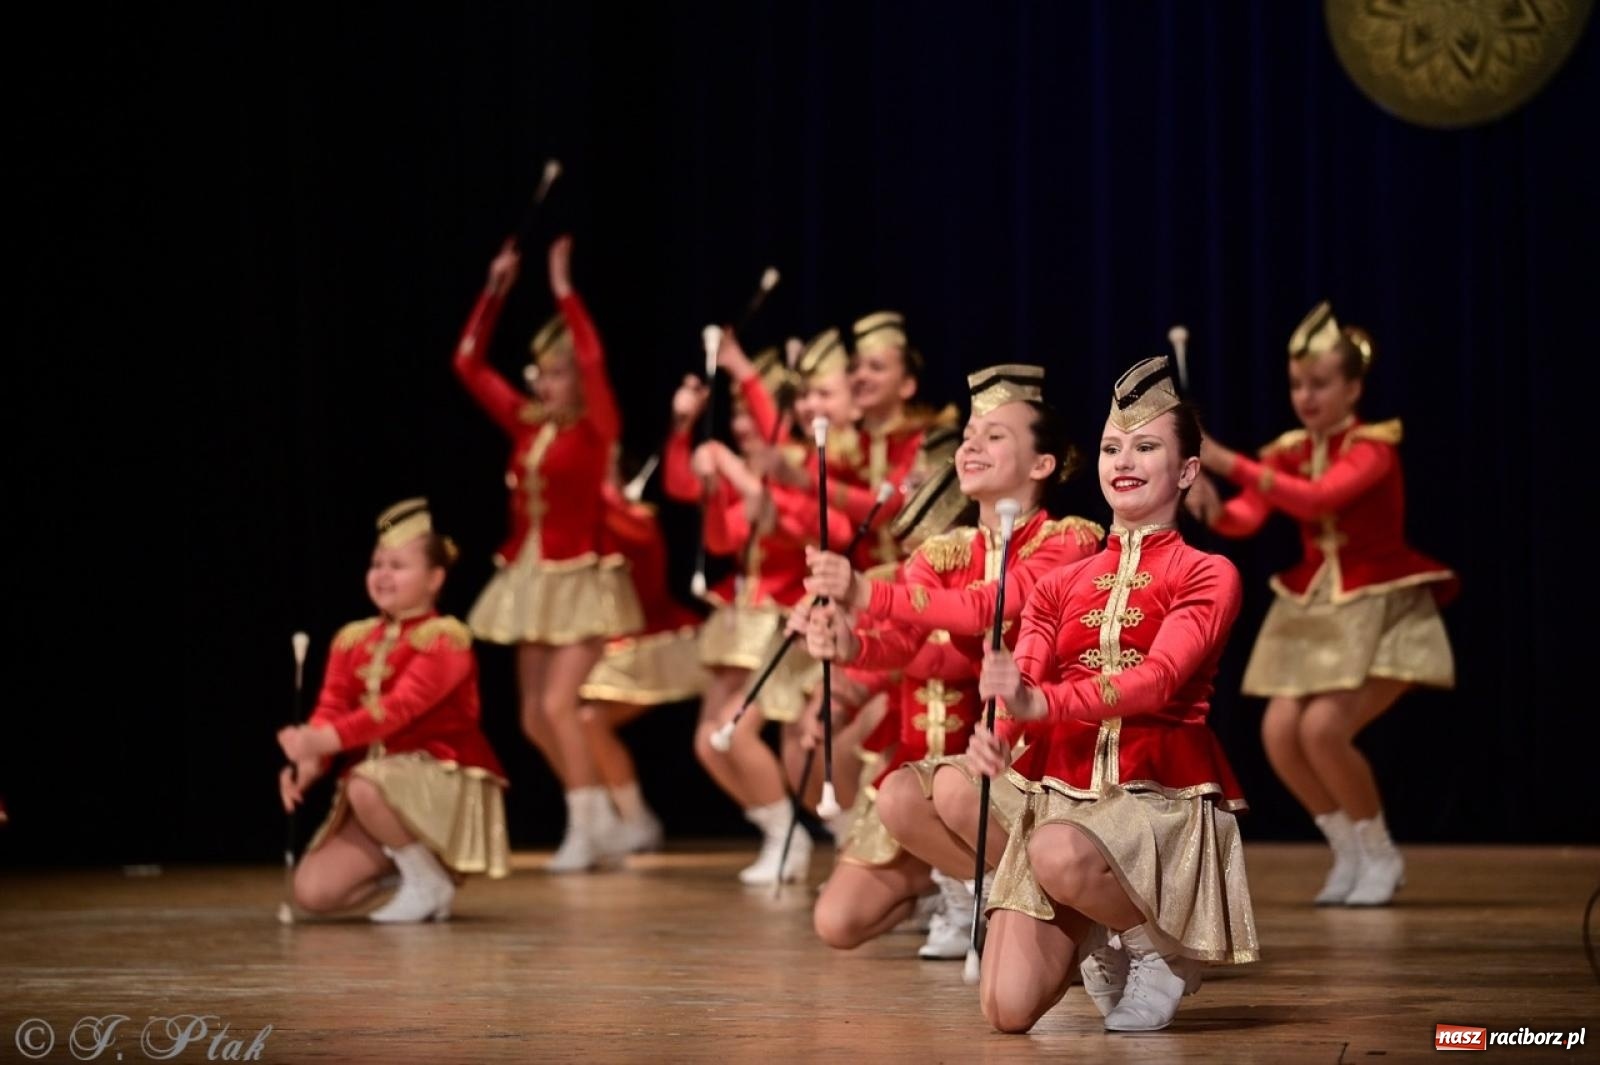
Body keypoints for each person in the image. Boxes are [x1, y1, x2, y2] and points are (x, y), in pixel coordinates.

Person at [968, 356, 1258, 1033]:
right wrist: (1001, 727)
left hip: (1155, 797)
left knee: (1055, 850)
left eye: (1145, 446)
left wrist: (1044, 704)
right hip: (1064, 791)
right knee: (1005, 1008)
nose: (1123, 461)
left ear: (1186, 471)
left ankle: (1160, 947)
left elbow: (1158, 679)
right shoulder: (1058, 584)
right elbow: (1025, 684)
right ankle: (1105, 930)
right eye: (1110, 448)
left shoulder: (1208, 573)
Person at [797, 364, 1104, 960]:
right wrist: (849, 646)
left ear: (1042, 464)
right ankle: (981, 892)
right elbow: (907, 644)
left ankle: (1065, 918)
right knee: (888, 817)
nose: (971, 445)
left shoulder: (1069, 542)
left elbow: (986, 607)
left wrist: (864, 592)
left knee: (951, 790)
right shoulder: (943, 551)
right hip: (982, 752)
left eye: (994, 436)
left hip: (1048, 749)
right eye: (968, 435)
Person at [1186, 301, 1457, 906]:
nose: (1305, 397)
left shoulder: (1373, 449)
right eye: (1297, 384)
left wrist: (1227, 460)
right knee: (1281, 732)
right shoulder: (1288, 451)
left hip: (1381, 605)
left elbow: (1317, 500)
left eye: (1320, 384)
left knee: (1324, 729)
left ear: (1353, 389)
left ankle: (1380, 852)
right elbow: (1246, 517)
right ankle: (1348, 851)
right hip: (1319, 605)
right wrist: (1211, 503)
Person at [452, 236, 644, 872]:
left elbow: (593, 357)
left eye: (557, 372)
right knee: (534, 715)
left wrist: (564, 290)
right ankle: (602, 820)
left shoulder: (597, 428)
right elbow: (468, 364)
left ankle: (586, 828)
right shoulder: (529, 423)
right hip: (530, 576)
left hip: (581, 575)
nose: (545, 381)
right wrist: (495, 290)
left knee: (561, 704)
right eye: (541, 372)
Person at [278, 499, 509, 923]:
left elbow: (398, 709)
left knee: (366, 784)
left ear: (435, 578)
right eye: (377, 564)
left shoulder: (446, 639)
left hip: (436, 781)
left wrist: (322, 740)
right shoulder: (351, 639)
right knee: (313, 893)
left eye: (398, 566)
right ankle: (418, 872)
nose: (383, 575)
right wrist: (310, 760)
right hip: (378, 793)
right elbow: (330, 708)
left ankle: (427, 882)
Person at [663, 344, 818, 885]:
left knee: (737, 732)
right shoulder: (743, 467)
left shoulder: (796, 464)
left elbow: (777, 520)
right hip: (739, 615)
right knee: (707, 742)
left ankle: (793, 835)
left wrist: (728, 465)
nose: (742, 426)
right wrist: (684, 431)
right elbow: (712, 526)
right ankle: (780, 831)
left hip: (784, 617)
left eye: (752, 413)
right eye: (735, 415)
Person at [576, 464, 708, 854]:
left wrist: (598, 490)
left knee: (589, 720)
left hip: (653, 644)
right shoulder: (592, 526)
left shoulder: (637, 519)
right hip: (609, 647)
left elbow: (636, 542)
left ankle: (634, 820)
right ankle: (619, 819)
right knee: (584, 722)